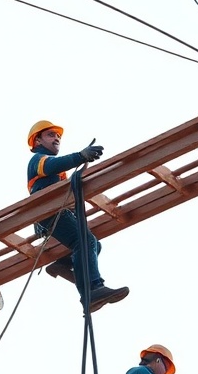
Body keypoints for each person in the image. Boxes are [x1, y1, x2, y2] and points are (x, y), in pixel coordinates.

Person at [26, 120, 128, 312]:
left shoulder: (57, 170)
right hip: (47, 211)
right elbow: (52, 166)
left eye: (58, 136)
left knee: (94, 244)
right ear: (37, 140)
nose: (56, 138)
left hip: (55, 211)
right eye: (50, 135)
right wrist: (80, 156)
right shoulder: (38, 160)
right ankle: (93, 290)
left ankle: (64, 265)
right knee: (84, 242)